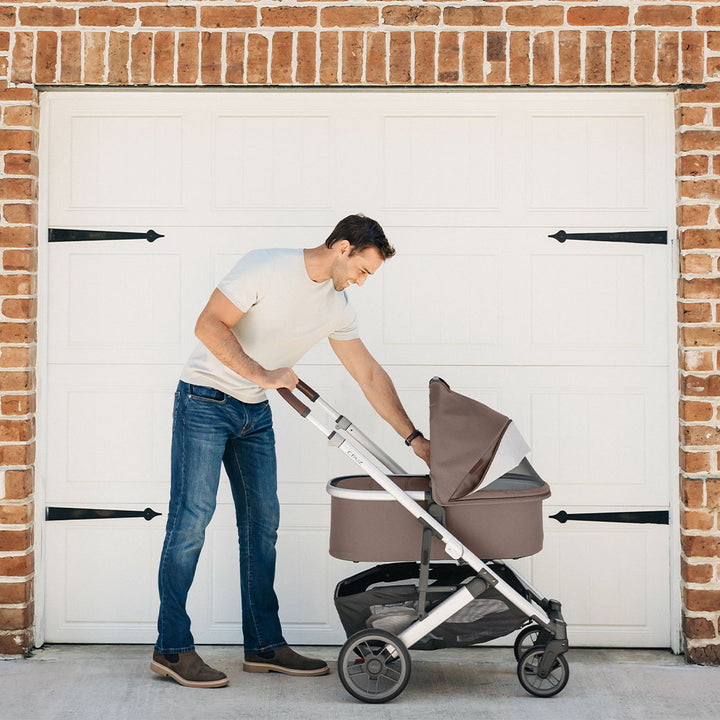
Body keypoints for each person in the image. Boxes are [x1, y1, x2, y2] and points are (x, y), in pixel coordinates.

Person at [151, 214, 431, 688]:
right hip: (203, 401)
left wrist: (414, 438)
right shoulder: (265, 266)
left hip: (254, 413)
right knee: (191, 522)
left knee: (263, 526)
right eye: (363, 270)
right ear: (342, 248)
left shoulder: (337, 307)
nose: (362, 282)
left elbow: (368, 375)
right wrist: (262, 374)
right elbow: (208, 325)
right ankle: (172, 648)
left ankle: (264, 645)